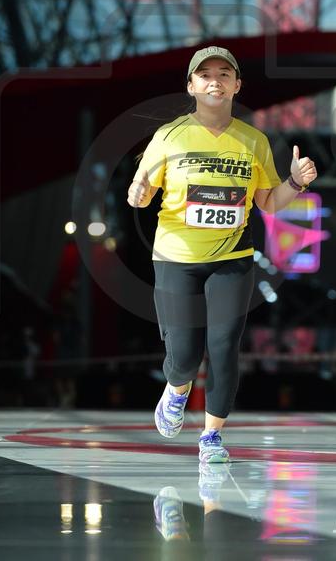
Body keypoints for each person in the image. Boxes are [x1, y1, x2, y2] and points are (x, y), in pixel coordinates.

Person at [127, 45, 317, 463]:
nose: (215, 81)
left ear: (237, 86)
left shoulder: (253, 140)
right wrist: (138, 193)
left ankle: (212, 436)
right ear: (191, 86)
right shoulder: (169, 136)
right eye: (206, 75)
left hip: (233, 257)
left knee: (224, 344)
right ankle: (177, 389)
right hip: (176, 258)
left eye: (224, 74)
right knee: (184, 356)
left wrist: (295, 182)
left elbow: (268, 203)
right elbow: (141, 193)